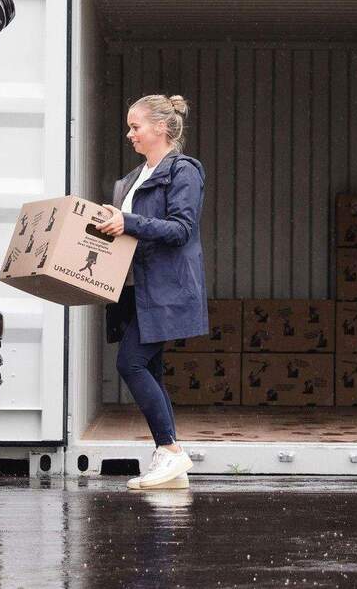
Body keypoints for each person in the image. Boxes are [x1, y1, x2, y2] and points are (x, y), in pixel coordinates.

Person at [96, 93, 208, 490]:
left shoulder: (183, 171)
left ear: (160, 128)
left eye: (135, 126)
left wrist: (128, 222)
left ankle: (170, 451)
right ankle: (171, 463)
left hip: (163, 289)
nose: (129, 134)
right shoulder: (132, 179)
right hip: (133, 288)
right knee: (152, 371)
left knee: (131, 364)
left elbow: (181, 229)